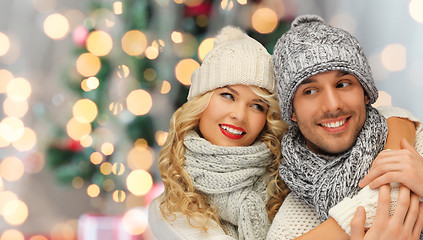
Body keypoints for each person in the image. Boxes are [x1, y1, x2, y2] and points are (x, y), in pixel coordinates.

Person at [266, 14, 423, 240]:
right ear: (292, 111)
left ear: (365, 93)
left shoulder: (413, 144)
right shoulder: (289, 226)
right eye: (309, 91)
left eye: (343, 84)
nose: (332, 105)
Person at [148, 25, 290, 240]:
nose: (239, 115)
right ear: (201, 101)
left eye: (257, 106)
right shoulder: (168, 210)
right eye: (228, 95)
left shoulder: (286, 183)